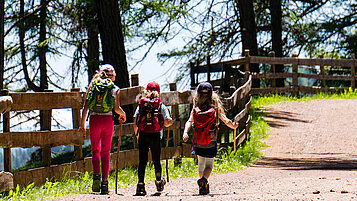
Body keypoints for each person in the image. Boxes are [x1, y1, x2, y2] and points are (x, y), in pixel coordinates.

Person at [182, 82, 238, 195]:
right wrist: (233, 125)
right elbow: (225, 120)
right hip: (211, 140)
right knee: (209, 165)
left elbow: (189, 121)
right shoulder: (215, 106)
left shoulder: (196, 107)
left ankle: (203, 186)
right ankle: (204, 180)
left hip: (198, 141)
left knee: (201, 163)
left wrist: (185, 132)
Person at [79, 64, 126, 194]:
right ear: (113, 76)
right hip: (107, 121)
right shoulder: (114, 89)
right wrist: (123, 114)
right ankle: (105, 183)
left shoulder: (92, 86)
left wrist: (82, 125)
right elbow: (116, 109)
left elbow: (86, 107)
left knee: (95, 151)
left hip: (94, 120)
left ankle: (96, 177)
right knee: (105, 152)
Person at [133, 81, 173, 196]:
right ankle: (159, 182)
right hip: (155, 135)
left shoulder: (142, 104)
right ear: (159, 92)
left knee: (142, 161)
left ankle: (140, 185)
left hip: (143, 134)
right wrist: (170, 122)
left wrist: (137, 135)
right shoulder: (160, 105)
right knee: (156, 160)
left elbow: (136, 121)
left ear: (146, 91)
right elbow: (166, 122)